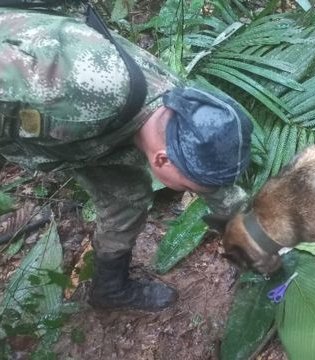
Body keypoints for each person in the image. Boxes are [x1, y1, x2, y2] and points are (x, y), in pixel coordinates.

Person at [0, 6, 253, 312]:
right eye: (191, 188)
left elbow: (214, 183)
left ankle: (110, 289)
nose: (198, 191)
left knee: (127, 197)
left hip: (91, 135)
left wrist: (257, 235)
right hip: (29, 90)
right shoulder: (77, 94)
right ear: (161, 160)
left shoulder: (180, 108)